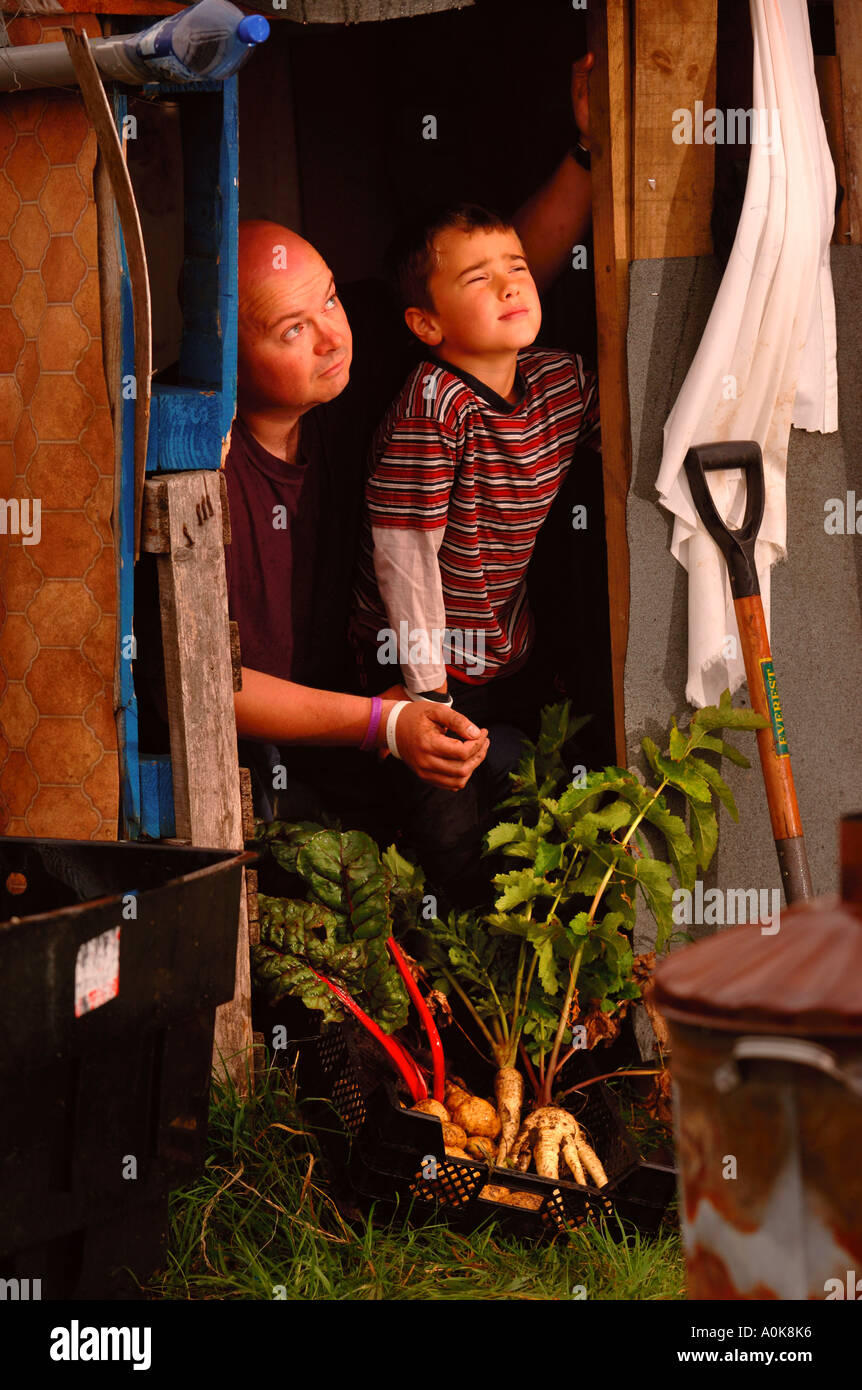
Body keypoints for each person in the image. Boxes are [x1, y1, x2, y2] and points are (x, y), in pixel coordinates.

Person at [223, 57, 597, 842]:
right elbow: (205, 685)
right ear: (222, 353)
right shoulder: (205, 482)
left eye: (330, 296)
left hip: (415, 707)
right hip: (278, 764)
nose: (333, 332)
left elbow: (492, 281)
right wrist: (386, 724)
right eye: (293, 328)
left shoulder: (352, 371)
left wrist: (589, 150)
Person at [348, 203, 599, 900]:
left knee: (534, 799)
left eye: (517, 269)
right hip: (412, 657)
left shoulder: (558, 383)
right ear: (428, 325)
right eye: (479, 279)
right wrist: (428, 697)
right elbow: (405, 555)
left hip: (502, 645)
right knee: (449, 833)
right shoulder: (434, 406)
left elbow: (637, 433)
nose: (511, 287)